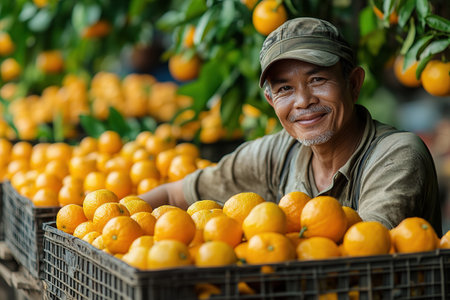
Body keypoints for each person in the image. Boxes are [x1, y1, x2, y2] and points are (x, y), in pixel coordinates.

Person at [140, 17, 442, 235]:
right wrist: (114, 222)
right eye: (285, 89)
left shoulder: (397, 156)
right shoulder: (277, 152)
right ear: (271, 101)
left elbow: (361, 252)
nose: (303, 101)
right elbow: (173, 196)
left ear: (353, 84)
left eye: (317, 80)